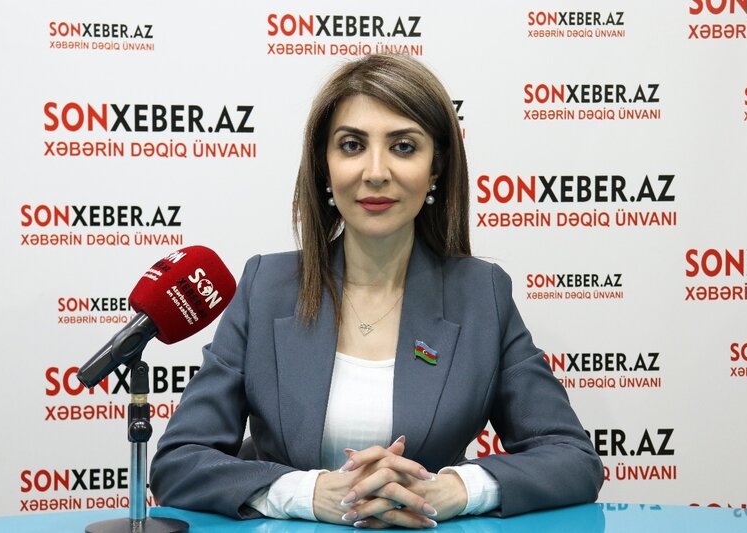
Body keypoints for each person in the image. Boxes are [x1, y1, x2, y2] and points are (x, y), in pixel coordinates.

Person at [149, 54, 603, 528]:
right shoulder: (266, 287)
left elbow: (572, 458)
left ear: (436, 168)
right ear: (324, 166)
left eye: (403, 147)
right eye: (352, 145)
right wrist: (304, 493)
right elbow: (179, 461)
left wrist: (455, 490)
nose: (376, 171)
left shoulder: (481, 295)